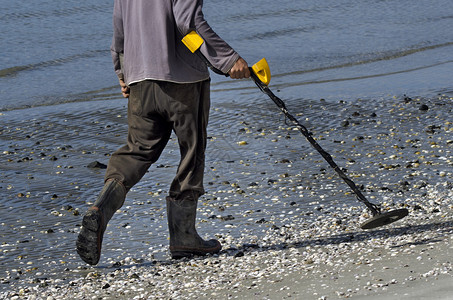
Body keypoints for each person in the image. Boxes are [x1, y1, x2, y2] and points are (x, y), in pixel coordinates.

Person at [76, 0, 250, 265]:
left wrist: (122, 72)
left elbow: (119, 33)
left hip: (139, 79)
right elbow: (188, 23)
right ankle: (184, 236)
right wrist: (229, 59)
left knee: (137, 151)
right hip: (183, 80)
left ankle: (101, 208)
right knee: (192, 150)